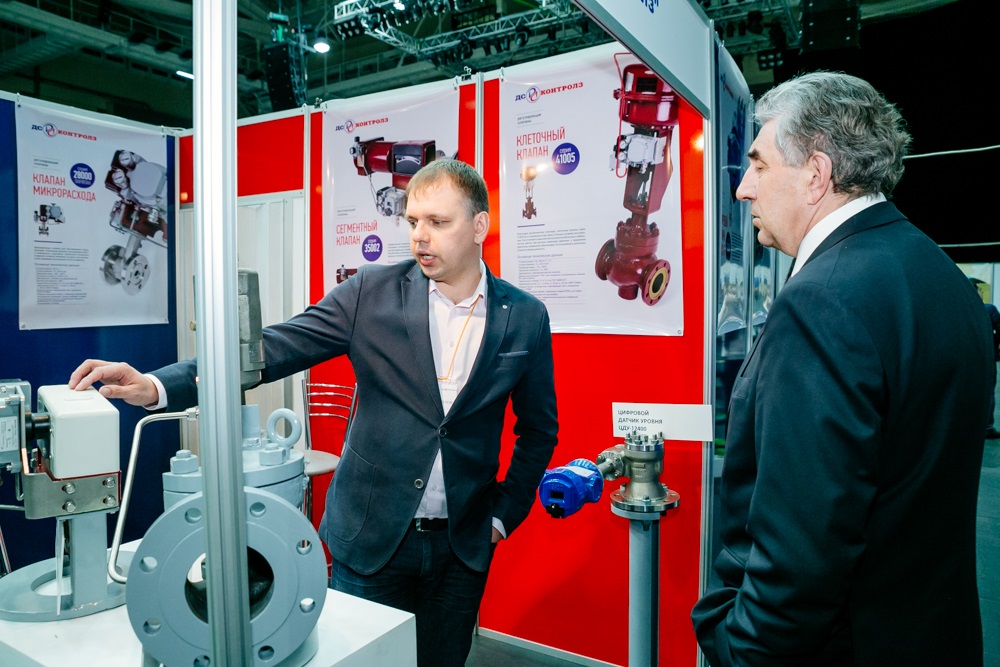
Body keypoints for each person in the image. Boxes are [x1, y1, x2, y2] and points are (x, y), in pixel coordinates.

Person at [69, 159, 559, 667]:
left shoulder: (523, 316)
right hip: (371, 539)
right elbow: (272, 348)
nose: (420, 236)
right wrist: (156, 384)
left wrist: (501, 517)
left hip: (463, 546)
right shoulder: (372, 292)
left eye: (438, 222)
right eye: (413, 221)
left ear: (479, 226)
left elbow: (539, 430)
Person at [691, 71, 993, 666]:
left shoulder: (822, 299)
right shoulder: (940, 274)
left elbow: (802, 548)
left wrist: (740, 649)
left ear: (816, 174)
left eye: (759, 164)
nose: (743, 188)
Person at [971, 277, 1000, 438]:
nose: (982, 292)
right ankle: (987, 427)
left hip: (968, 357)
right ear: (976, 291)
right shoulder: (989, 309)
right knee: (988, 391)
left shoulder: (961, 310)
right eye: (980, 289)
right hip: (988, 356)